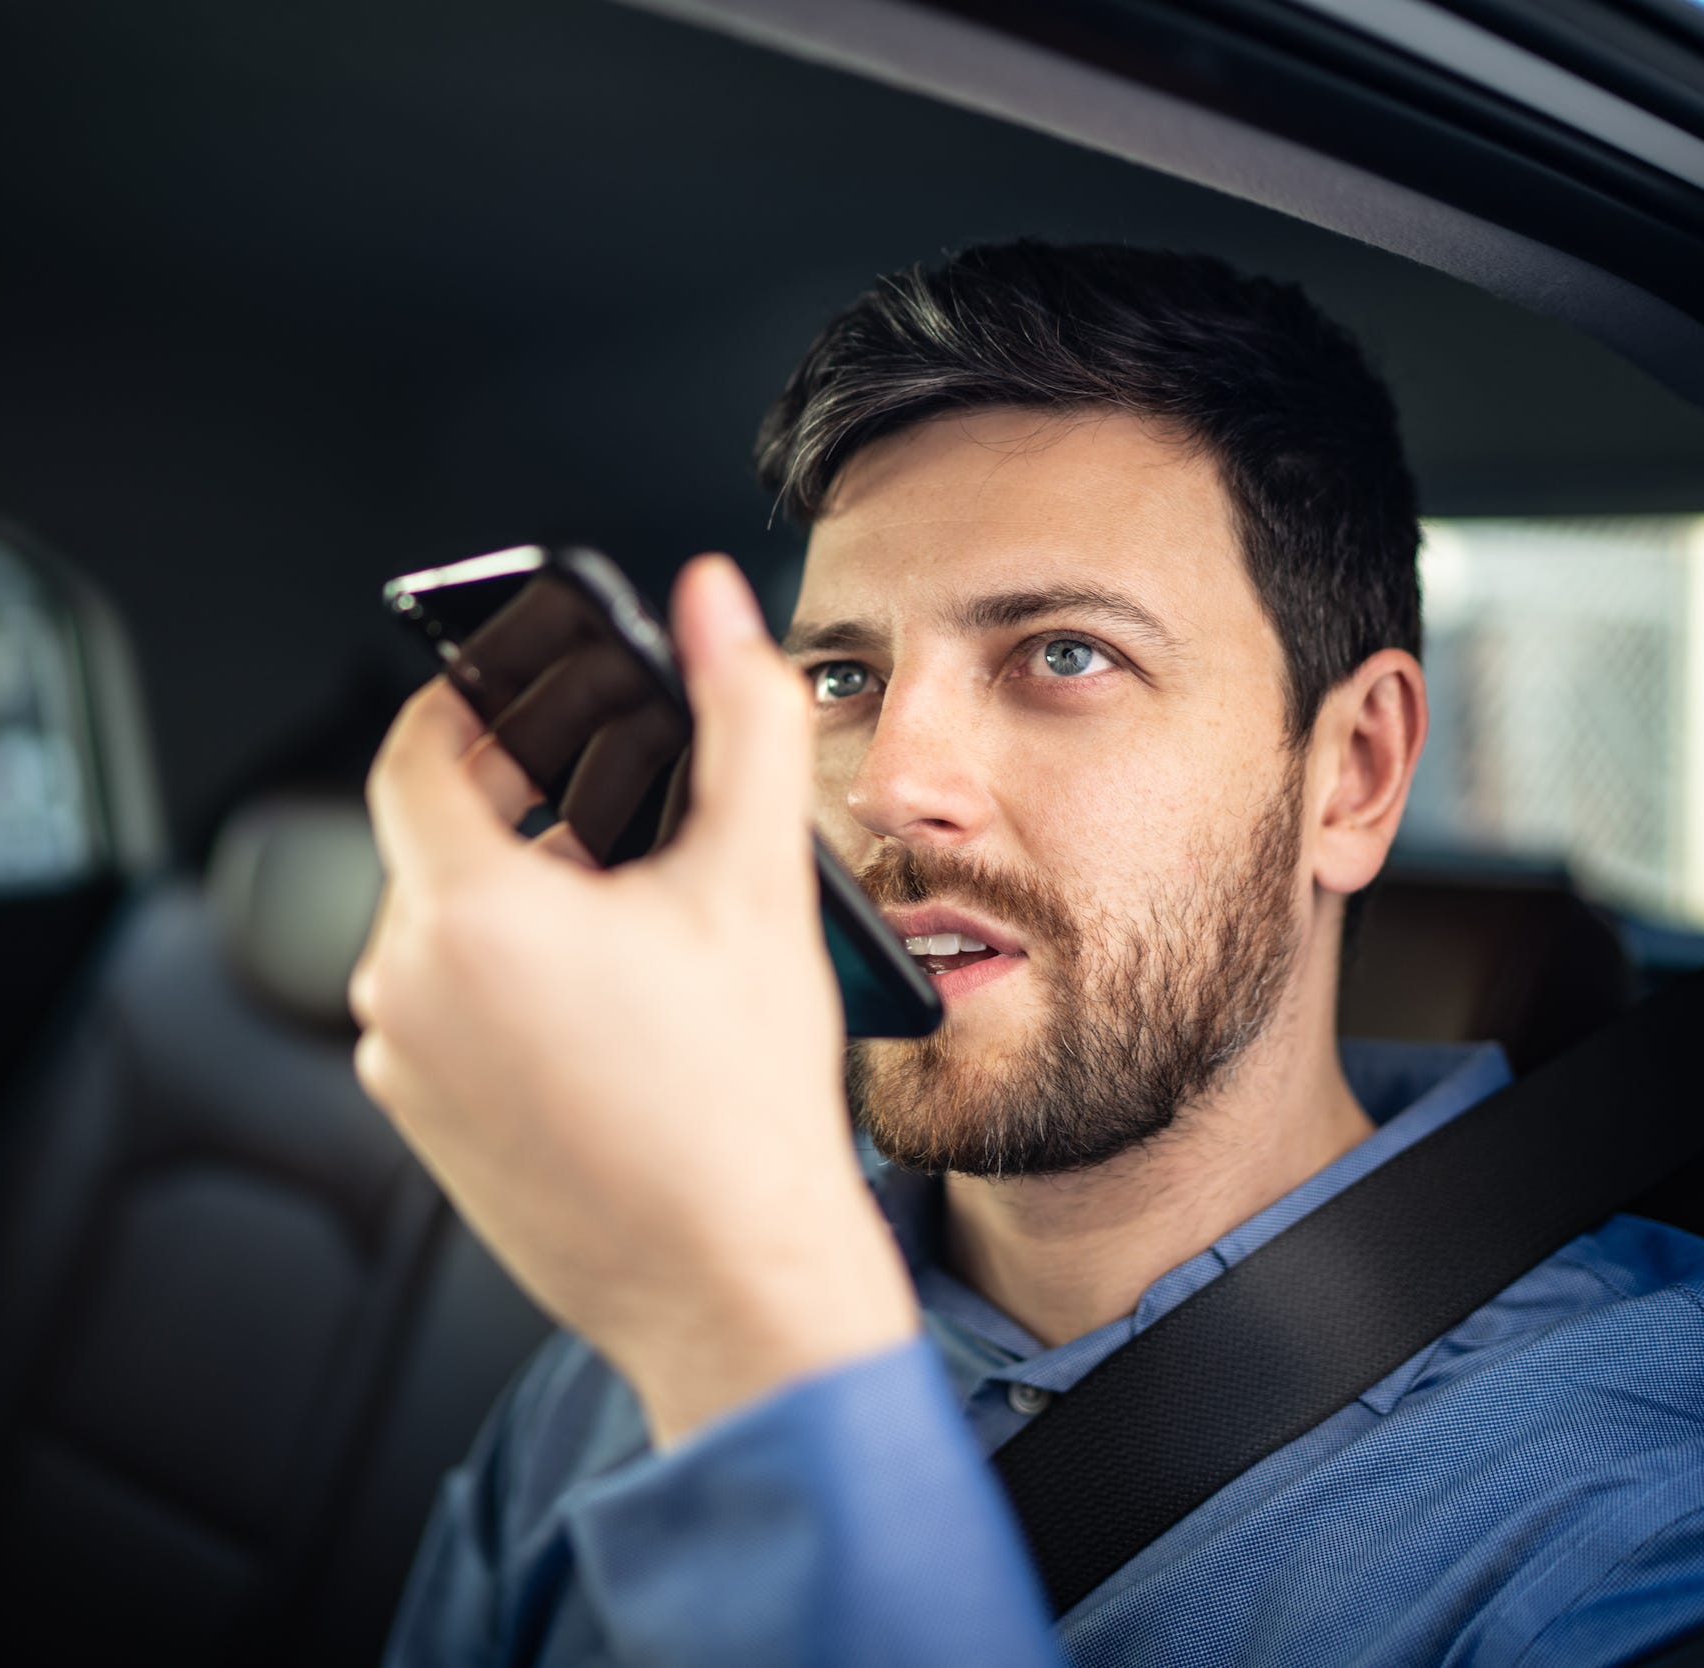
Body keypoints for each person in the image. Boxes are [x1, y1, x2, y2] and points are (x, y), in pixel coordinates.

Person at [348, 243, 1704, 1666]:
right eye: (841, 678)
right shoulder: (632, 1332)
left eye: (1065, 656)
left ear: (1353, 773)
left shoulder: (1631, 1501)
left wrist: (740, 1350)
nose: (889, 782)